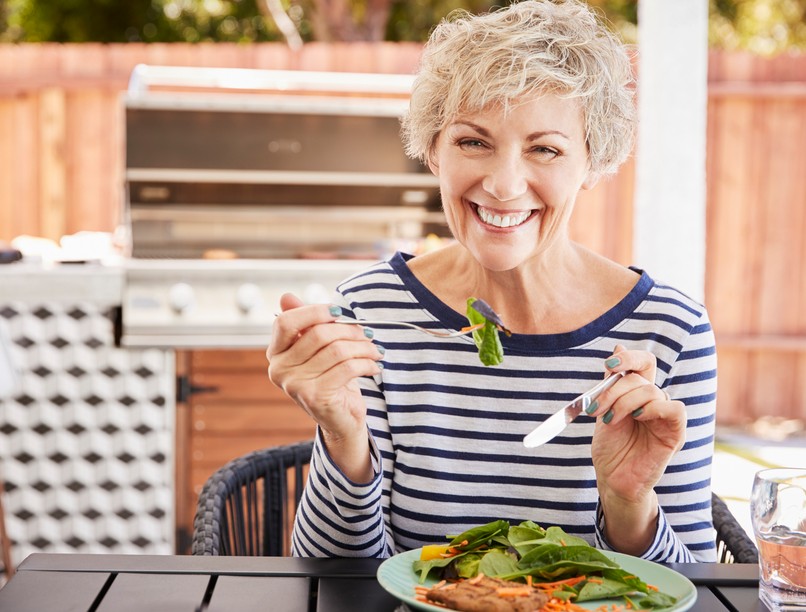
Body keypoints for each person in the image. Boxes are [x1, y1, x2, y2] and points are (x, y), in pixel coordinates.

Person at [267, 0, 717, 563]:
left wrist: (629, 505)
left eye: (545, 149)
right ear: (433, 149)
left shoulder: (671, 331)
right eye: (473, 142)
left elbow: (696, 592)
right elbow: (331, 577)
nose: (504, 185)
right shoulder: (371, 308)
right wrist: (344, 439)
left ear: (592, 160)